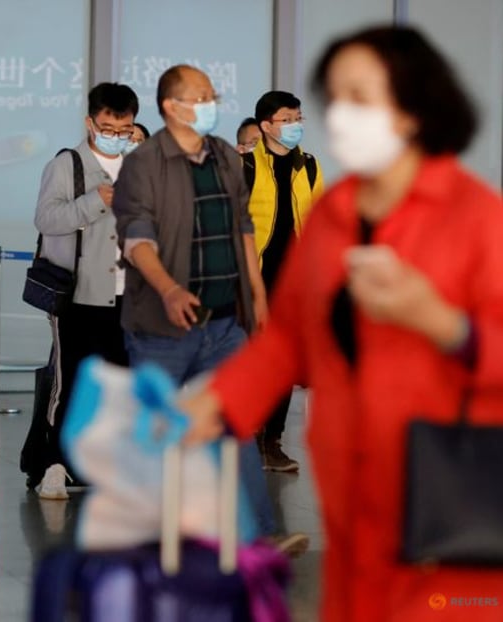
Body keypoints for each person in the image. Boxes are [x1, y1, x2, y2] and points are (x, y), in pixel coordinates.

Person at [181, 26, 503, 622]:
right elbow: (289, 337)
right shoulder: (336, 211)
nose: (342, 115)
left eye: (363, 96)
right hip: (350, 482)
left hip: (446, 490)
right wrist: (219, 403)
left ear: (416, 106)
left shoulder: (477, 216)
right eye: (336, 97)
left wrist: (440, 323)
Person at [111, 65, 291, 543]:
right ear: (171, 107)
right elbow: (136, 238)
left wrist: (257, 294)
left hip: (224, 324)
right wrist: (168, 289)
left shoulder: (227, 157)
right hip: (161, 327)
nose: (211, 104)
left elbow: (243, 226)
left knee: (235, 424)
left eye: (213, 96)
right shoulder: (143, 164)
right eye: (200, 96)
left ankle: (255, 537)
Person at [32, 82, 138, 499]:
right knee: (71, 383)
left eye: (124, 129)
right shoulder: (67, 165)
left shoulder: (140, 165)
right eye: (108, 128)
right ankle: (54, 465)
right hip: (78, 295)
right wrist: (96, 200)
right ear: (90, 122)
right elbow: (46, 218)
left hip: (130, 296)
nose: (116, 136)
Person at [246, 91, 324, 472]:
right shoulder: (245, 165)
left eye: (298, 118)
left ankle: (271, 441)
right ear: (266, 126)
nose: (295, 126)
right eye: (286, 120)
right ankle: (246, 437)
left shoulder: (308, 166)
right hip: (252, 279)